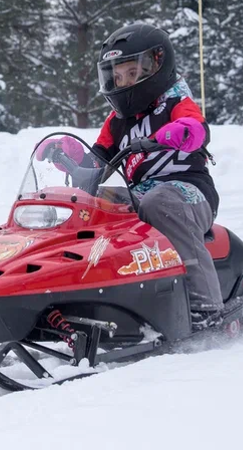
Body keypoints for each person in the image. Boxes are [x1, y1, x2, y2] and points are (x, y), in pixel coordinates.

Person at [45, 23, 223, 326]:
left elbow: (196, 129)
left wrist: (182, 131)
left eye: (131, 73)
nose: (123, 82)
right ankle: (84, 293)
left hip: (188, 192)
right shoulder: (116, 122)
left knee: (160, 202)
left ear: (157, 65)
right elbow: (99, 159)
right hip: (140, 195)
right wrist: (72, 159)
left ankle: (204, 304)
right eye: (116, 76)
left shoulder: (177, 104)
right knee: (94, 210)